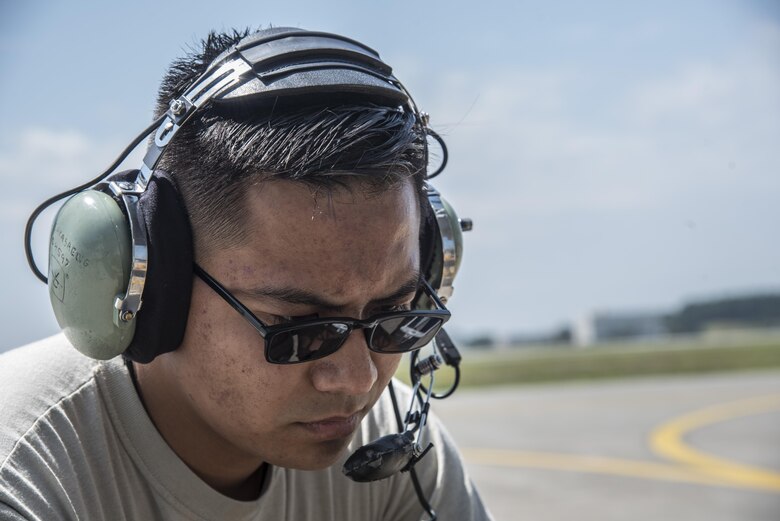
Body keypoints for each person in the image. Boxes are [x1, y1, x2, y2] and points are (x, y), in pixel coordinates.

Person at [0, 27, 493, 520]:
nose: (358, 380)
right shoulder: (23, 476)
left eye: (394, 313)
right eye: (300, 328)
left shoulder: (390, 440)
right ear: (152, 289)